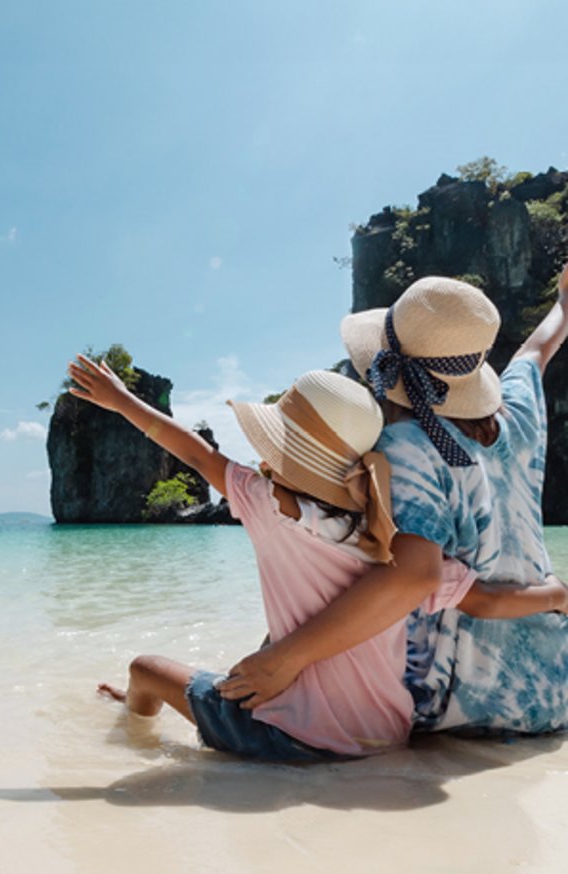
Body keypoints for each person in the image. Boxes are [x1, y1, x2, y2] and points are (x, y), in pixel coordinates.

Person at [68, 354, 567, 760]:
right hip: (386, 734)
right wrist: (556, 596)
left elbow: (196, 454)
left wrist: (121, 401)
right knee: (268, 650)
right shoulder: (398, 547)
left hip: (293, 741)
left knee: (146, 668)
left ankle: (131, 729)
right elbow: (488, 603)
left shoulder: (266, 507)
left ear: (274, 460)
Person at [218, 267, 568, 736]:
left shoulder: (408, 445)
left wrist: (284, 659)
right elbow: (536, 351)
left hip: (455, 708)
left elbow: (414, 577)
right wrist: (563, 304)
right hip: (550, 689)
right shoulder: (518, 415)